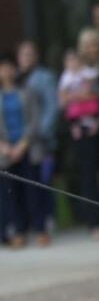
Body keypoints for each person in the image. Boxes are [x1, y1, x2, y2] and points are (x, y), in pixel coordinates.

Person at [59, 29, 99, 238]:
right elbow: (63, 99)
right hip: (82, 128)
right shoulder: (69, 76)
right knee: (89, 176)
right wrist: (82, 94)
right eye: (87, 44)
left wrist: (80, 95)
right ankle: (94, 222)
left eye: (95, 43)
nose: (92, 48)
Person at [0, 52, 51, 248]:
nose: (5, 71)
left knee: (33, 191)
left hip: (27, 148)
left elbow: (34, 120)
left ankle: (40, 229)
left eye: (8, 67)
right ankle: (18, 231)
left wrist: (22, 144)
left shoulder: (26, 91)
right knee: (10, 194)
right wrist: (4, 146)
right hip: (5, 152)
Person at [16, 40, 59, 242]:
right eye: (24, 54)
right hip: (18, 143)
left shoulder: (45, 77)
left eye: (31, 54)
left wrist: (37, 133)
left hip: (40, 141)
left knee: (42, 183)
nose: (27, 58)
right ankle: (25, 226)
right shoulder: (12, 78)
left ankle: (46, 221)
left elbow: (52, 107)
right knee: (22, 187)